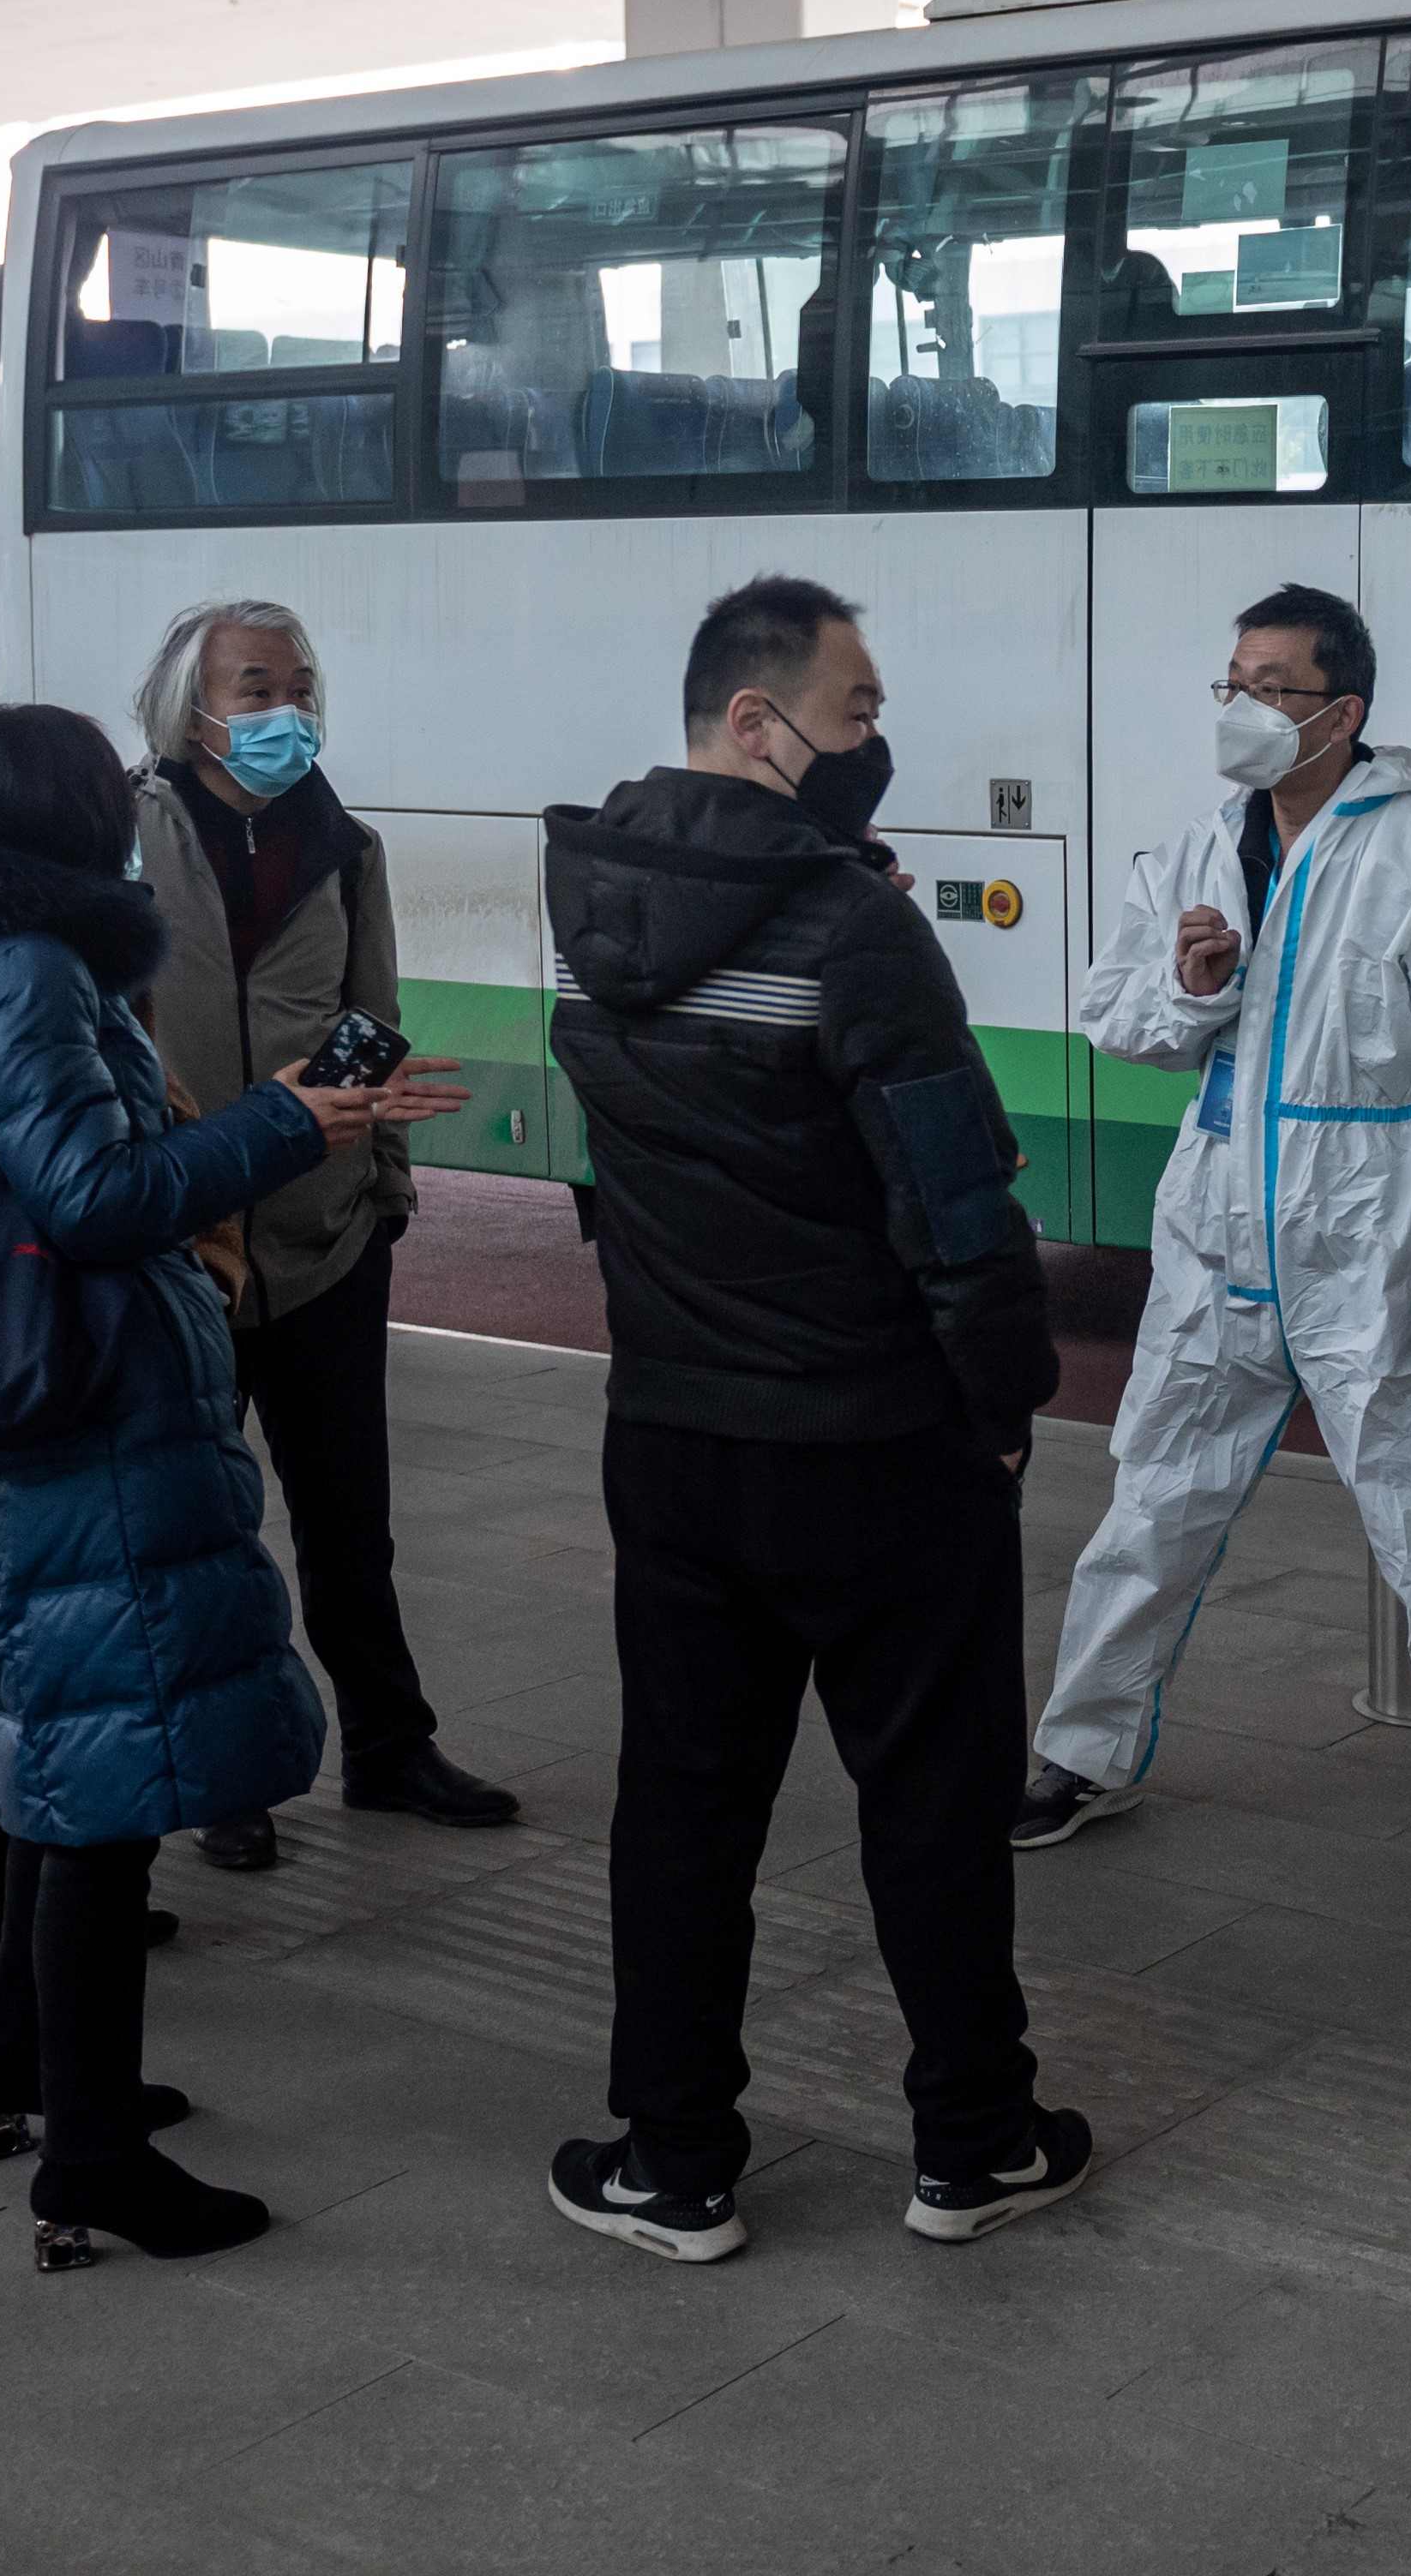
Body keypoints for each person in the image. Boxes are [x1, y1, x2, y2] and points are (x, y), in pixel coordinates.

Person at [537, 575, 1082, 2263]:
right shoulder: (853, 926)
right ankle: (974, 2140)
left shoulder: (596, 899)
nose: (875, 742)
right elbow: (958, 1200)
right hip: (872, 1442)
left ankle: (674, 2158)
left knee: (684, 1803)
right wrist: (1002, 1406)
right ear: (756, 721)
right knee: (928, 1795)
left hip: (678, 1435)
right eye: (854, 712)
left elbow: (620, 1182)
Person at [0, 702, 389, 2267]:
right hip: (82, 1424)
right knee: (103, 1789)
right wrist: (288, 1120)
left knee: (64, 1760)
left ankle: (27, 2066)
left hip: (46, 1418)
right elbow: (93, 1199)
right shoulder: (28, 968)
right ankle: (86, 2159)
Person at [1017, 584, 1411, 1896]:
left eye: (1275, 688)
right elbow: (1121, 1021)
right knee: (1150, 1508)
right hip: (1217, 1229)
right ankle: (1084, 1754)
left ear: (1345, 713)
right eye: (1234, 684)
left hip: (1370, 1233)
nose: (1246, 710)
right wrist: (1189, 986)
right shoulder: (1203, 847)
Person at [124, 599, 520, 1869]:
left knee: (351, 1519)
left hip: (327, 1238)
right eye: (255, 689)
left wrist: (389, 1197)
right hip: (183, 1243)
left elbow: (378, 1016)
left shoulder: (345, 846)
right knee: (201, 1526)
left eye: (297, 688)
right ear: (194, 709)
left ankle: (390, 1747)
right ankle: (225, 1773)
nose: (283, 711)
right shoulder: (126, 840)